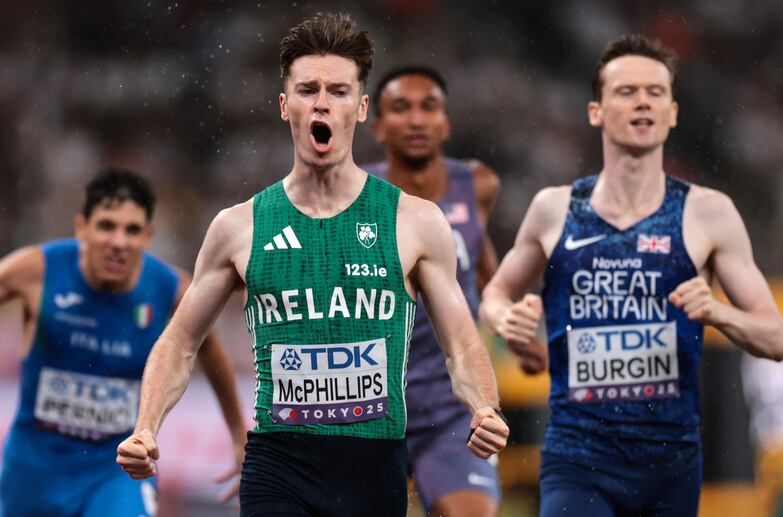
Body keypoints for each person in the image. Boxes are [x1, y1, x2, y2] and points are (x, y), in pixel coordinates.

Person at [115, 13, 509, 517]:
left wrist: (484, 408)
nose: (322, 101)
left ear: (362, 108)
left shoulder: (413, 222)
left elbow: (460, 342)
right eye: (307, 89)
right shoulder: (240, 227)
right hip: (279, 464)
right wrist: (146, 426)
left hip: (374, 465)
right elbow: (179, 341)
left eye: (339, 91)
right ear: (286, 105)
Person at [480, 34, 783, 517]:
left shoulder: (709, 214)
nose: (643, 101)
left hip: (669, 465)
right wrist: (507, 320)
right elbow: (495, 295)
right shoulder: (555, 209)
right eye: (626, 91)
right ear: (596, 111)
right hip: (576, 459)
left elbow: (776, 339)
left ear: (672, 112)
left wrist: (718, 312)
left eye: (656, 92)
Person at [0, 168, 247, 517]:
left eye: (132, 230)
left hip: (115, 470)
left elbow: (207, 345)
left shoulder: (168, 288)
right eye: (106, 226)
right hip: (33, 470)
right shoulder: (38, 270)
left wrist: (238, 434)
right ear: (81, 227)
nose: (118, 241)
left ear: (148, 236)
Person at [365, 65, 502, 517]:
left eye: (429, 107)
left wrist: (511, 322)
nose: (417, 120)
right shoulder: (352, 196)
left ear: (446, 124)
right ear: (378, 126)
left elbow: (485, 274)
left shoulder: (477, 185)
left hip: (449, 405)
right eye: (401, 108)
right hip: (367, 404)